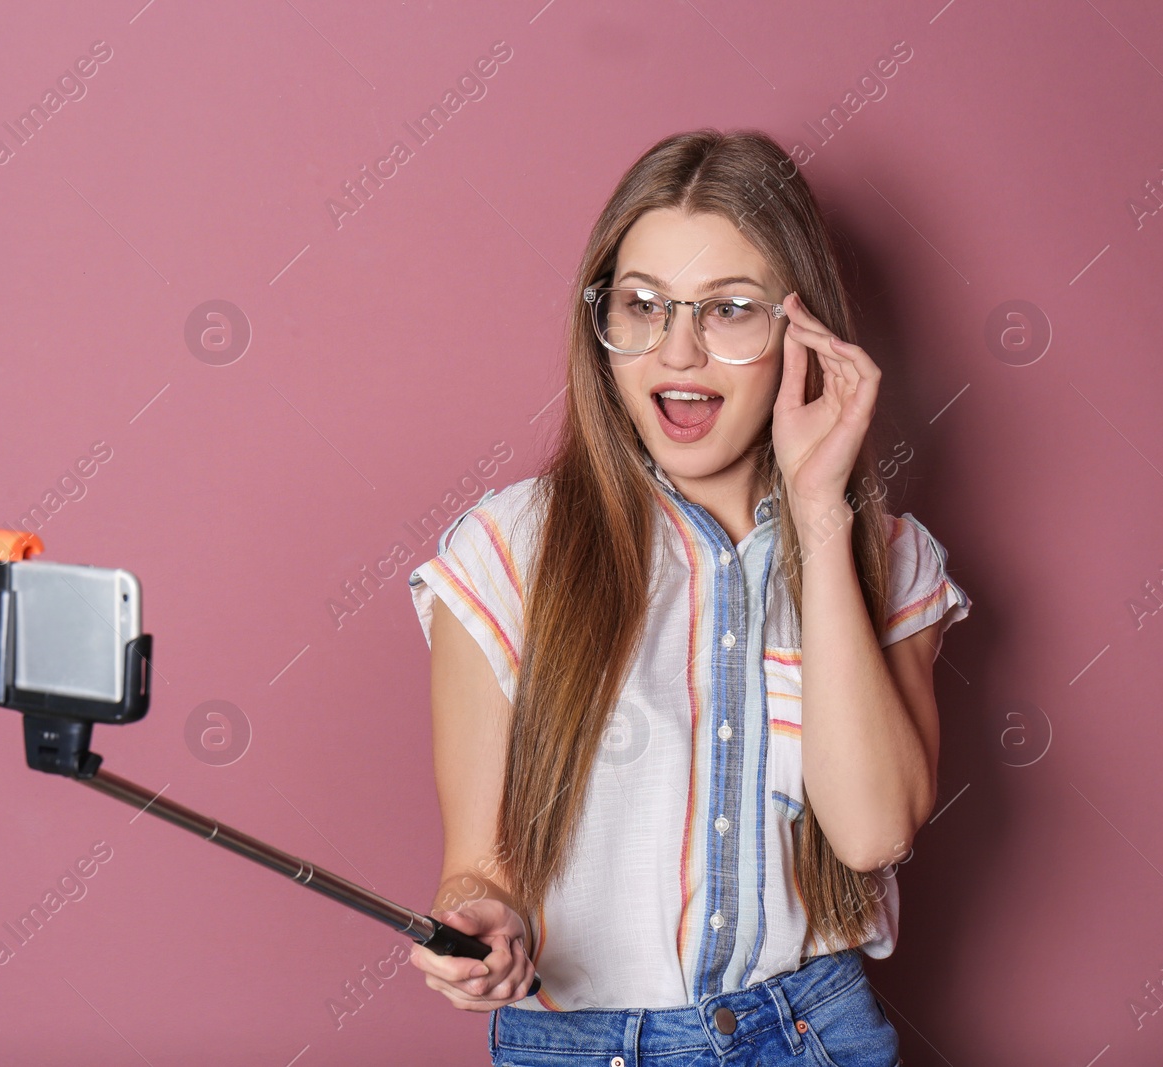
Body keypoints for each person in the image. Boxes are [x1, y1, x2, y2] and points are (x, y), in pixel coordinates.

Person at [405, 128, 972, 1067]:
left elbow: (872, 831)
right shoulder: (509, 549)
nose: (678, 350)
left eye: (729, 310)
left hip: (807, 1035)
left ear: (803, 332)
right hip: (579, 1043)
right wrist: (485, 927)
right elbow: (481, 864)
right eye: (644, 305)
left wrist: (820, 506)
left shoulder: (887, 558)